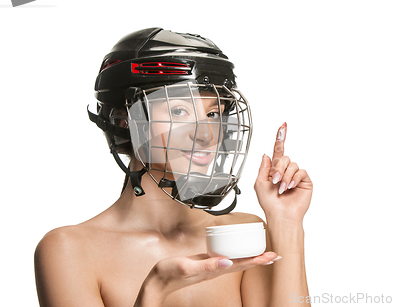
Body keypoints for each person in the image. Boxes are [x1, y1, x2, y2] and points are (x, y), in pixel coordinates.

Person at [34, 28, 313, 307]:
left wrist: (287, 222)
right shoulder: (70, 251)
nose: (206, 134)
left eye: (213, 113)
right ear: (125, 120)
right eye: (179, 110)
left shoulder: (241, 234)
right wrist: (154, 290)